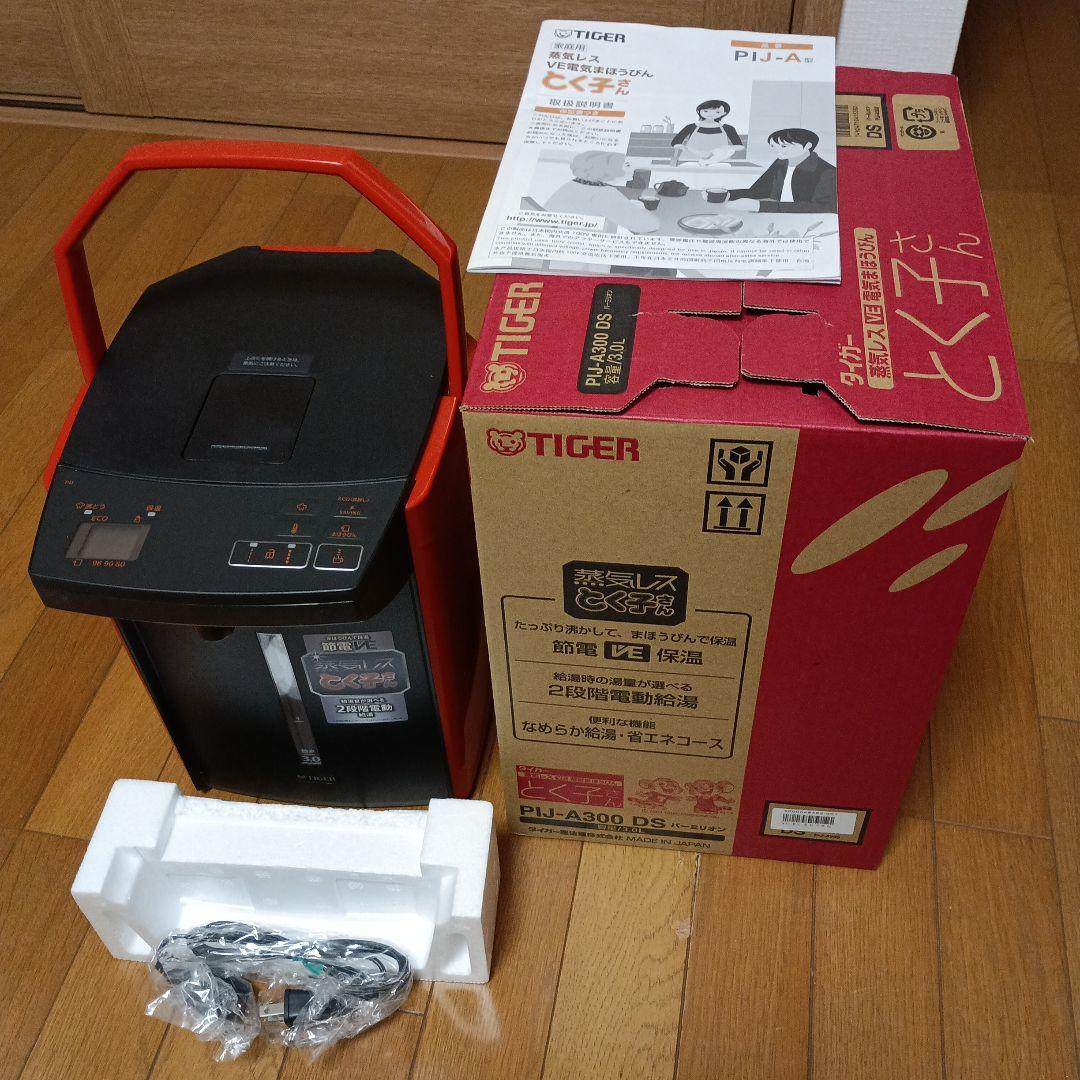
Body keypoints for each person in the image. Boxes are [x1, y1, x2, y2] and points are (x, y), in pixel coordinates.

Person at [721, 127, 837, 213]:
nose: (777, 150)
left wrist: (760, 206)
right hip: (778, 216)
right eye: (774, 146)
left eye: (783, 146)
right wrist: (728, 194)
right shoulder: (781, 162)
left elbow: (823, 208)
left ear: (807, 146)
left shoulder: (827, 172)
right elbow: (760, 190)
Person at [543, 151, 660, 233]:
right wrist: (640, 208)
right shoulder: (605, 193)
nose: (633, 169)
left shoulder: (574, 184)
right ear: (610, 169)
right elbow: (650, 225)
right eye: (627, 165)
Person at [670, 100, 742, 162]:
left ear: (724, 113)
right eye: (706, 111)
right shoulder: (691, 127)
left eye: (717, 112)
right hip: (691, 159)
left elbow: (739, 146)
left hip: (718, 160)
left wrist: (725, 148)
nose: (710, 114)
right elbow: (675, 143)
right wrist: (687, 149)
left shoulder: (728, 128)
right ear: (699, 111)